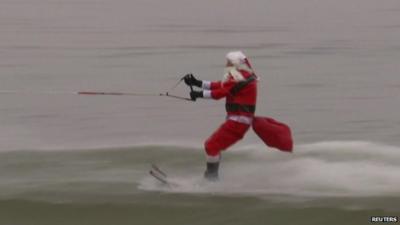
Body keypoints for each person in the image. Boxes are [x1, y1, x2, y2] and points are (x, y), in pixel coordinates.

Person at [183, 51, 257, 181]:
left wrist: (199, 94)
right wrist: (197, 82)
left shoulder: (239, 77)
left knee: (211, 146)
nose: (226, 64)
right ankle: (212, 178)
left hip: (238, 122)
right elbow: (220, 85)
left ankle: (211, 180)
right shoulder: (242, 75)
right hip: (237, 121)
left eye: (229, 62)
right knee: (214, 146)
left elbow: (220, 93)